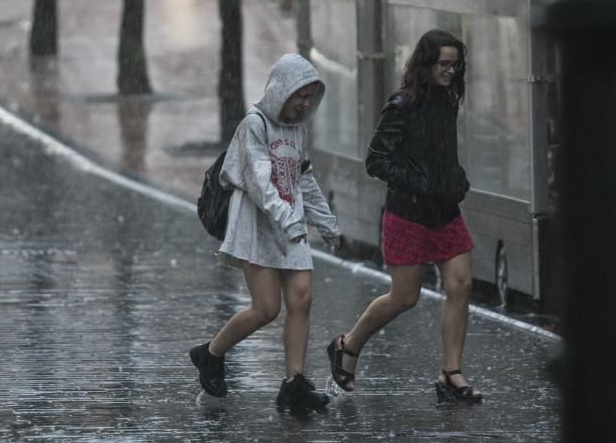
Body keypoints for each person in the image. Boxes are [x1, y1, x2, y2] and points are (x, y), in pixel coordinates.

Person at [326, 29, 481, 403]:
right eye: (443, 64)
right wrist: (420, 181)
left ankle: (451, 372)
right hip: (407, 213)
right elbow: (376, 161)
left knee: (461, 284)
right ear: (425, 64)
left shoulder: (448, 100)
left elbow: (442, 151)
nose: (449, 71)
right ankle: (347, 345)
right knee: (404, 296)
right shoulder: (401, 106)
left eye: (454, 65)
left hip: (444, 210)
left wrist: (455, 177)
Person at [190, 54, 342, 410]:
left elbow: (303, 178)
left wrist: (325, 221)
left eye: (309, 96)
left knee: (302, 298)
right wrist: (289, 219)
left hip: (290, 224)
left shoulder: (298, 130)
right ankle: (211, 354)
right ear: (280, 90)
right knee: (266, 308)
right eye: (298, 95)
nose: (304, 103)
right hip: (257, 226)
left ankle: (294, 383)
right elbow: (259, 182)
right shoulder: (254, 125)